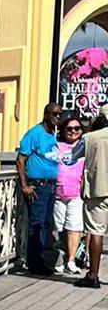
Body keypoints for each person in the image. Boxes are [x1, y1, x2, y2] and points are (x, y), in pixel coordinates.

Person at [17, 103, 62, 275]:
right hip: (38, 185)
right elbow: (20, 160)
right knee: (36, 224)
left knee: (44, 224)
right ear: (46, 114)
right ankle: (34, 262)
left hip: (50, 186)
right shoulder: (35, 133)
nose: (57, 117)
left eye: (60, 114)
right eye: (54, 114)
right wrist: (24, 185)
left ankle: (38, 259)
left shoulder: (52, 135)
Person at [54, 117, 87, 275]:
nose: (73, 131)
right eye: (69, 128)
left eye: (76, 128)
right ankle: (63, 256)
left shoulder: (85, 146)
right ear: (63, 130)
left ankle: (71, 261)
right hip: (58, 192)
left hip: (76, 193)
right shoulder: (57, 145)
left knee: (74, 227)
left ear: (81, 130)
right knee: (60, 228)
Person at [81, 109, 108, 289]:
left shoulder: (91, 137)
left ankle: (93, 275)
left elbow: (70, 158)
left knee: (96, 232)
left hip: (99, 188)